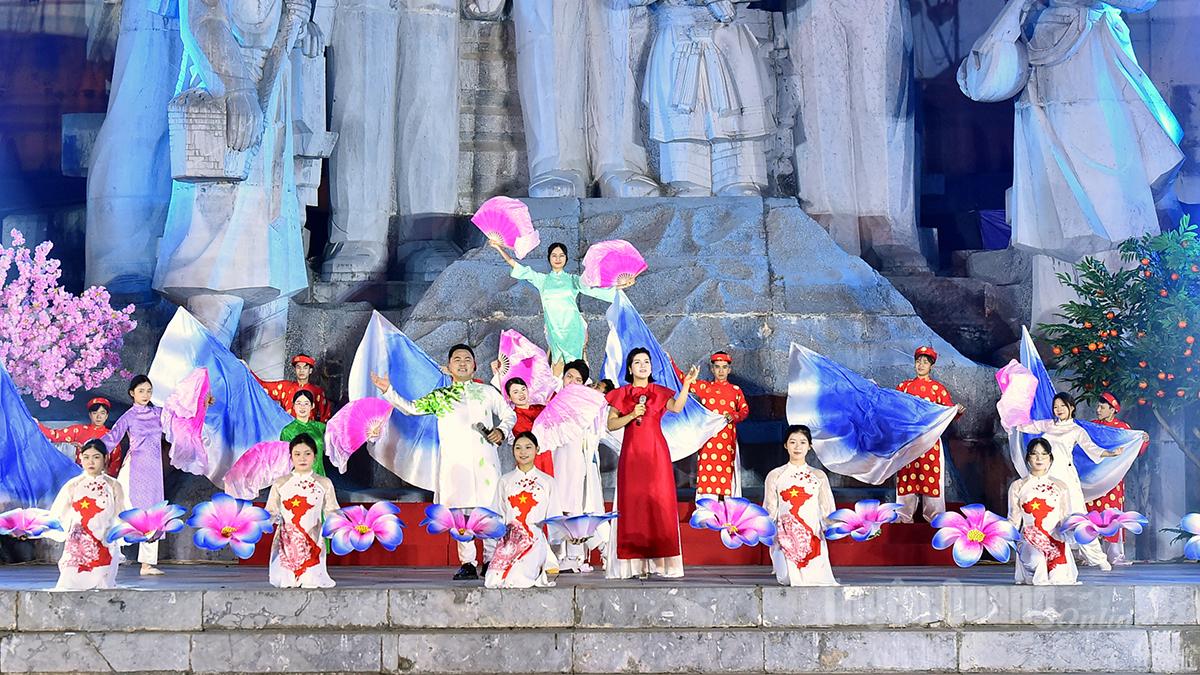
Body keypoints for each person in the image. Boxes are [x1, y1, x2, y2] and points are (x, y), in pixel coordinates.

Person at [372, 343, 517, 580]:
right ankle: (468, 562)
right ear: (449, 367)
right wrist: (388, 390)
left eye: (467, 359)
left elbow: (509, 414)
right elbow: (410, 408)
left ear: (475, 365)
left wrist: (501, 430)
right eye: (457, 359)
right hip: (455, 464)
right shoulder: (441, 397)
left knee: (489, 509)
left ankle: (491, 559)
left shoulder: (487, 392)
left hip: (485, 462)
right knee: (460, 513)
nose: (462, 363)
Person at [605, 347, 698, 579]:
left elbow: (677, 407)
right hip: (632, 454)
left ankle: (660, 563)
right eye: (637, 362)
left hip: (657, 454)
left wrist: (686, 384)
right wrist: (631, 415)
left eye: (646, 361)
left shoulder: (659, 392)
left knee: (659, 502)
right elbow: (611, 424)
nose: (643, 366)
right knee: (633, 504)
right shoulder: (621, 393)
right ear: (630, 368)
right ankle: (634, 564)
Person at [1014, 392, 1124, 571]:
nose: (1058, 410)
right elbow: (1026, 426)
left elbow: (1092, 449)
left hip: (1066, 478)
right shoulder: (1049, 425)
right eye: (1055, 407)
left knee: (1079, 519)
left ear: (1071, 408)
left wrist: (1111, 453)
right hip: (1045, 478)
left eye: (1062, 406)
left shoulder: (1076, 430)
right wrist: (1010, 417)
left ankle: (1098, 558)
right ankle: (1042, 558)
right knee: (1042, 516)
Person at [491, 241, 631, 368]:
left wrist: (619, 285)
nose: (558, 259)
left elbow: (594, 289)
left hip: (573, 328)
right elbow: (519, 268)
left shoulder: (573, 280)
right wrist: (499, 249)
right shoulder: (542, 280)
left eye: (561, 255)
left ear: (566, 258)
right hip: (554, 328)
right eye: (554, 255)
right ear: (549, 258)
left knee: (575, 367)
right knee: (557, 366)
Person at [100, 375, 169, 576]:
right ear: (132, 393)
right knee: (124, 511)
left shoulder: (158, 413)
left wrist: (202, 404)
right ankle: (110, 554)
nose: (146, 395)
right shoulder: (129, 416)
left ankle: (147, 564)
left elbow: (180, 417)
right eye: (141, 391)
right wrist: (93, 450)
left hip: (153, 470)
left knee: (153, 513)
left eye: (149, 391)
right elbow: (112, 438)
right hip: (134, 468)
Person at [895, 346, 966, 523]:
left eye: (925, 362)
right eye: (918, 361)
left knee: (931, 477)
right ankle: (904, 515)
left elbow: (948, 411)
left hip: (930, 442)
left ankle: (934, 515)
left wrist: (956, 411)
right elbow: (893, 409)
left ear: (931, 366)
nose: (921, 365)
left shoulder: (938, 389)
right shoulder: (904, 387)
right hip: (908, 442)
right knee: (906, 477)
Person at [45, 439, 126, 590]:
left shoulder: (114, 486)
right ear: (80, 458)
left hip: (105, 543)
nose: (91, 462)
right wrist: (33, 530)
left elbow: (123, 516)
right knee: (70, 585)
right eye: (86, 457)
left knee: (102, 588)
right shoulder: (73, 485)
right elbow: (57, 516)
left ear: (105, 458)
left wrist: (141, 532)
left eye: (96, 457)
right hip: (77, 546)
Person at [763, 425, 838, 587]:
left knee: (816, 580)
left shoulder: (818, 476)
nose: (797, 447)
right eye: (793, 442)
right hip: (785, 536)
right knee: (787, 578)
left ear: (809, 446)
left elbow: (827, 510)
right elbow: (770, 509)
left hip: (813, 536)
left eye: (803, 442)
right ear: (786, 445)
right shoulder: (775, 475)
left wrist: (847, 526)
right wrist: (754, 527)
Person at [485, 432, 562, 588]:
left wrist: (564, 539)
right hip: (509, 541)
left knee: (518, 579)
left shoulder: (547, 482)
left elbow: (555, 517)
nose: (523, 452)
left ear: (537, 450)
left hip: (534, 540)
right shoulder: (505, 480)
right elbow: (497, 514)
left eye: (528, 447)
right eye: (518, 448)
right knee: (492, 580)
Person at [265, 434, 340, 589]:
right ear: (291, 457)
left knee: (311, 580)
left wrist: (343, 529)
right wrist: (258, 524)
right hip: (287, 539)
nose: (302, 458)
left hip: (313, 537)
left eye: (307, 453)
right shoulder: (280, 483)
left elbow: (332, 510)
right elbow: (271, 511)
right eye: (297, 454)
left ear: (315, 456)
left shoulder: (324, 483)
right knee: (287, 581)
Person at [1086, 392, 1150, 566]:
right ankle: (1091, 556)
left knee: (1112, 515)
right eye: (1098, 406)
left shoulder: (1122, 428)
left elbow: (1135, 449)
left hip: (1113, 479)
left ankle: (1115, 556)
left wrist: (1143, 441)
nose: (1098, 410)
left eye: (1102, 407)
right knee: (1091, 514)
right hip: (1093, 478)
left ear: (1113, 409)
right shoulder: (1092, 426)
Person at [1008, 438, 1077, 586]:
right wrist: (994, 533)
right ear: (1028, 458)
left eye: (1044, 454)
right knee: (1038, 561)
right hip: (1030, 540)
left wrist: (1083, 528)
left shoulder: (1060, 486)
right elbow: (1013, 521)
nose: (1039, 458)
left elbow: (1066, 518)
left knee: (1058, 577)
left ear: (1050, 458)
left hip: (1055, 541)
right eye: (1034, 454)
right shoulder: (1018, 486)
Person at [683, 352, 749, 498]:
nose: (721, 371)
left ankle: (729, 507)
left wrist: (734, 416)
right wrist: (669, 362)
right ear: (712, 369)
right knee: (708, 470)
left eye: (724, 367)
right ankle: (706, 506)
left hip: (727, 441)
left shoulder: (735, 390)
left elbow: (744, 411)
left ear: (729, 370)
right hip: (709, 439)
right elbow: (682, 380)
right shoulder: (705, 388)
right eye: (717, 367)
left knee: (727, 472)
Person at [37, 397, 114, 469]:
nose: (99, 417)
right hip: (81, 473)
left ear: (106, 416)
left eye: (102, 413)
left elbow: (115, 461)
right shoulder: (78, 430)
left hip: (103, 476)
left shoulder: (112, 435)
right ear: (90, 415)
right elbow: (55, 435)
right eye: (95, 413)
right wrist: (37, 424)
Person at [256, 354, 332, 421]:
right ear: (295, 370)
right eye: (298, 367)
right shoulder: (285, 387)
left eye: (305, 368)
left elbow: (325, 416)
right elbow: (262, 386)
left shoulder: (318, 391)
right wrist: (249, 372)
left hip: (309, 431)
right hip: (288, 430)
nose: (301, 370)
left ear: (310, 371)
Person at [279, 390, 328, 478]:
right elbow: (285, 460)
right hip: (298, 478)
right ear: (293, 406)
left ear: (312, 406)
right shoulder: (287, 431)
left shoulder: (320, 427)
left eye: (306, 403)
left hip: (319, 476)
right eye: (298, 403)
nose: (302, 407)